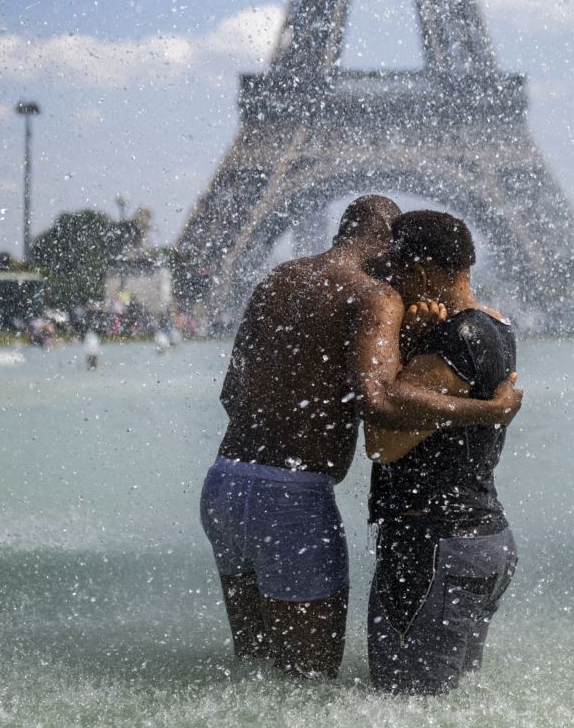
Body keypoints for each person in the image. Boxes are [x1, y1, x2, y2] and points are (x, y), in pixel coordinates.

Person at [201, 195, 523, 679]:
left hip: (224, 485)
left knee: (254, 674)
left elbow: (231, 393)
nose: (397, 270)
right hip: (292, 494)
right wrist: (487, 411)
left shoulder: (278, 279)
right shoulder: (375, 294)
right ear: (385, 245)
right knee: (308, 685)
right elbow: (378, 400)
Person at [363, 211, 518, 695]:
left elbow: (381, 443)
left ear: (426, 270)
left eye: (398, 271)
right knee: (441, 711)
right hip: (475, 540)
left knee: (410, 706)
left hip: (435, 547)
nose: (391, 284)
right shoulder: (496, 328)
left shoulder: (457, 338)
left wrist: (408, 347)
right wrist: (411, 342)